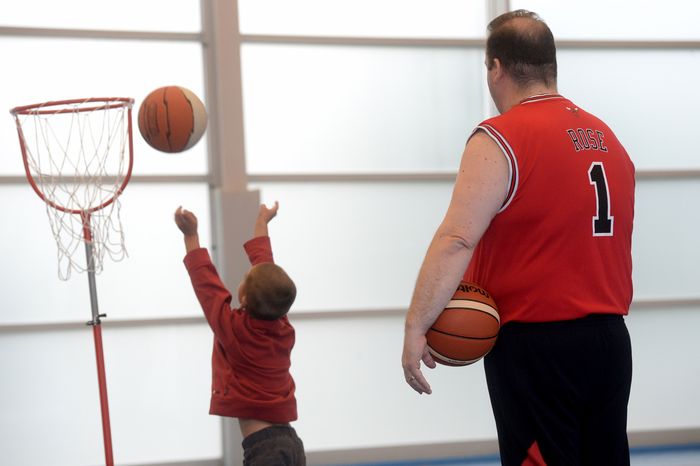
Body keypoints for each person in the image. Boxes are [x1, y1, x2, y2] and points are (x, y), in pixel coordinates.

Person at [401, 9, 635, 466]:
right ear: (551, 65)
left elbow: (456, 239)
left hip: (538, 347)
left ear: (496, 67)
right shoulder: (608, 137)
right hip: (610, 342)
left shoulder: (499, 137)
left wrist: (416, 325)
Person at [175, 201, 306, 466]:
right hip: (292, 444)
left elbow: (206, 285)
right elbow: (265, 264)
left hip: (265, 450)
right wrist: (262, 222)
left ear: (243, 297)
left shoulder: (233, 329)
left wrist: (191, 236)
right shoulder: (283, 327)